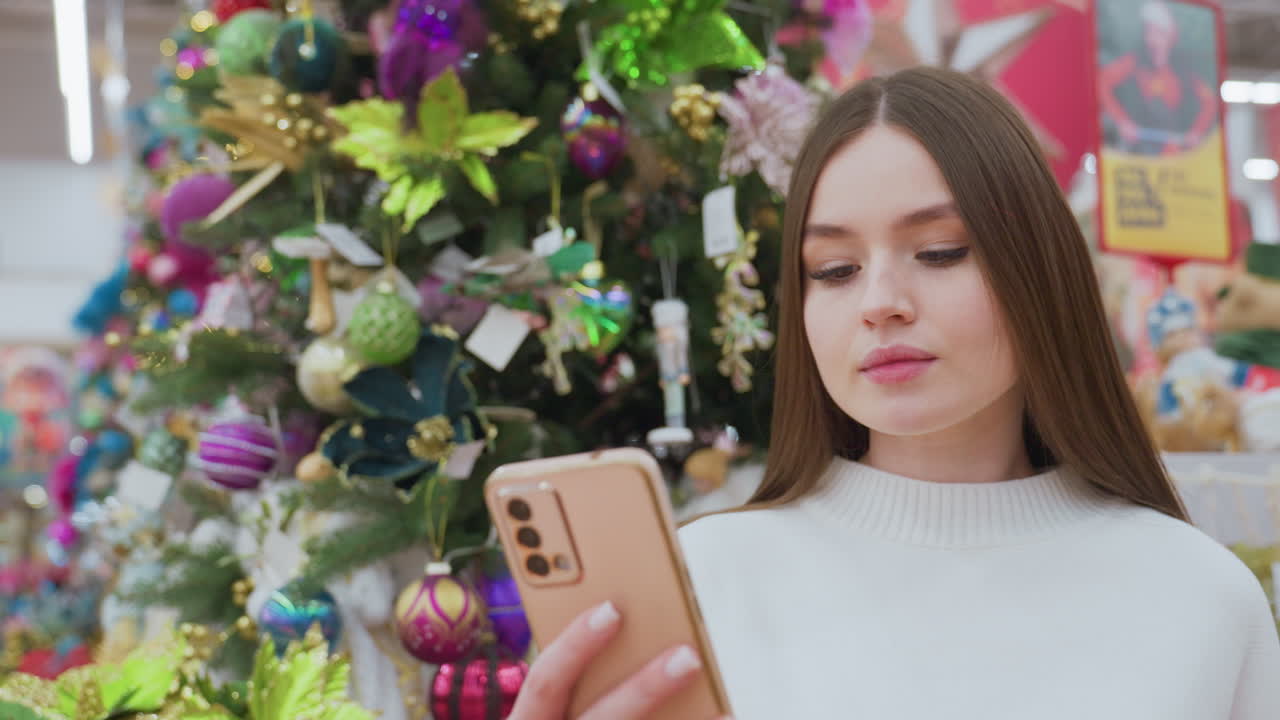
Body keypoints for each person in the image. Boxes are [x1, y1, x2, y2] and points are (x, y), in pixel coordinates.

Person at [506, 67, 1280, 719]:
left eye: (940, 252)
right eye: (834, 270)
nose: (880, 301)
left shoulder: (1198, 598)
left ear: (1038, 270)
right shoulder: (704, 584)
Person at [1098, 0, 1216, 156]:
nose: (1153, 40)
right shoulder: (1134, 61)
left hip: (1174, 154)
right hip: (1138, 151)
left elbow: (1209, 100)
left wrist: (1196, 132)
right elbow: (1101, 83)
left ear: (1171, 37)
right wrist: (1122, 121)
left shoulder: (1183, 70)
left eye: (1159, 33)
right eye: (1149, 32)